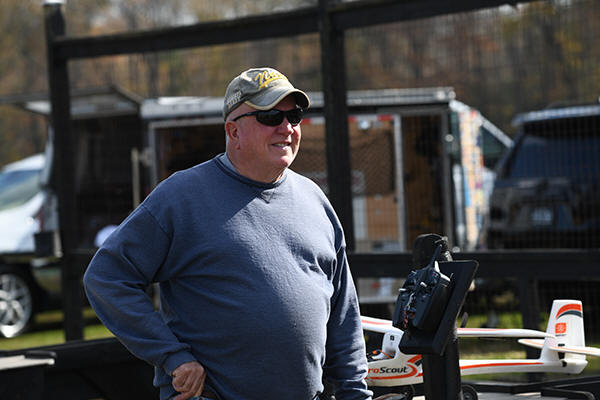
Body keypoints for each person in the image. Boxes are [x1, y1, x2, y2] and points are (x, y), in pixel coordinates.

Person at [83, 67, 372, 400]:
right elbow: (106, 277)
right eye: (269, 116)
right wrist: (172, 356)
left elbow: (343, 313)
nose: (286, 127)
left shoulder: (314, 198)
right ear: (233, 131)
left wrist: (355, 392)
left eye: (293, 116)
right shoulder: (182, 196)